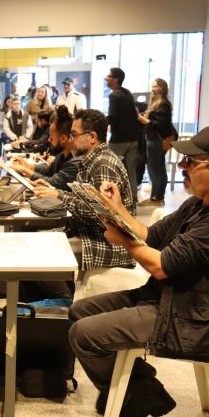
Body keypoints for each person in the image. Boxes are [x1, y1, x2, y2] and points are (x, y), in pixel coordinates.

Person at [69, 125, 209, 417]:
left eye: (190, 162)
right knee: (79, 311)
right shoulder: (200, 204)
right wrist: (117, 209)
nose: (182, 167)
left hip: (193, 321)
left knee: (83, 334)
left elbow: (160, 265)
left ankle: (138, 393)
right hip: (169, 299)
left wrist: (122, 240)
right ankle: (139, 388)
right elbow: (151, 236)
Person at [33, 109, 136, 299]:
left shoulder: (103, 164)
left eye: (74, 134)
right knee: (39, 241)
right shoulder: (93, 160)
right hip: (91, 235)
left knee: (42, 252)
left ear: (92, 137)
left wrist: (59, 196)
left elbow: (99, 214)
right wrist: (56, 192)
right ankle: (62, 299)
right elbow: (84, 200)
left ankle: (67, 304)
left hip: (108, 243)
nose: (71, 140)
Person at [11, 106, 80, 191]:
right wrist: (28, 166)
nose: (48, 140)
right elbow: (49, 170)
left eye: (51, 137)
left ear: (63, 139)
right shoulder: (62, 155)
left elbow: (53, 182)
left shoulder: (75, 162)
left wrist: (24, 170)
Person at [106, 67, 144, 204]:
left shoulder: (114, 95)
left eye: (109, 76)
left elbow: (113, 117)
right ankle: (133, 199)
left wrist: (100, 122)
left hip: (119, 140)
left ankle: (111, 198)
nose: (106, 78)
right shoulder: (127, 93)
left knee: (110, 168)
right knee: (131, 170)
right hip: (133, 138)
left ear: (116, 79)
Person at [137, 78, 175, 206]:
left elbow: (163, 124)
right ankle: (156, 197)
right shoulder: (156, 102)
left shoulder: (162, 103)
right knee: (155, 169)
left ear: (162, 88)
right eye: (152, 86)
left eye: (155, 86)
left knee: (157, 170)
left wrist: (147, 121)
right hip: (152, 140)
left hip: (157, 141)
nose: (153, 89)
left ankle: (157, 198)